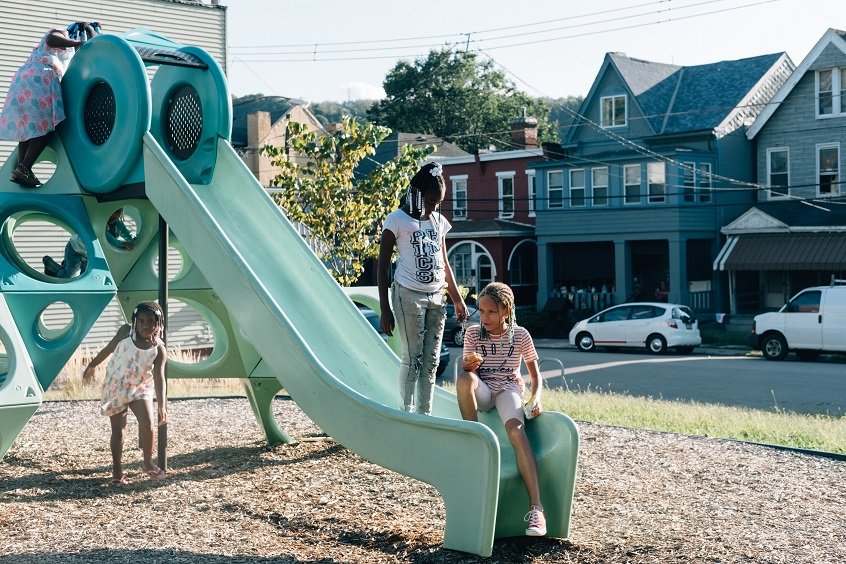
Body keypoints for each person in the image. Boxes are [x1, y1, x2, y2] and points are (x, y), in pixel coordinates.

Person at [456, 282, 546, 537]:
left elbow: (535, 376)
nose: (484, 317)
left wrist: (536, 398)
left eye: (491, 312)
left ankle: (537, 509)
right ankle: (474, 437)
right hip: (483, 389)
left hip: (509, 389)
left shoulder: (520, 335)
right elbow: (468, 372)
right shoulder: (474, 334)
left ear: (506, 310)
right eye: (481, 311)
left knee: (516, 431)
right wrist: (469, 365)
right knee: (464, 379)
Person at [378, 161, 468, 415]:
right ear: (416, 193)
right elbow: (382, 267)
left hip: (437, 297)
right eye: (430, 201)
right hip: (408, 295)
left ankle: (424, 414)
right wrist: (385, 308)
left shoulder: (438, 221)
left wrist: (457, 299)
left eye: (438, 203)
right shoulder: (396, 220)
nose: (433, 207)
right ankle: (406, 413)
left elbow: (444, 262)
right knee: (413, 358)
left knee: (431, 361)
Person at [0, 22, 100, 188]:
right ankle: (25, 167)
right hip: (39, 80)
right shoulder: (60, 33)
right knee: (47, 127)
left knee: (28, 129)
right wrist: (77, 42)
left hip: (22, 82)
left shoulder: (45, 52)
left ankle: (22, 168)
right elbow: (51, 39)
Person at [83, 301, 167, 484]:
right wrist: (92, 365)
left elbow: (160, 378)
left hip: (140, 389)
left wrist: (162, 405)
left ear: (158, 323)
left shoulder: (158, 349)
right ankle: (117, 469)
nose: (145, 325)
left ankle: (147, 462)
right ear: (135, 320)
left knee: (148, 424)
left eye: (151, 322)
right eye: (141, 321)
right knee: (119, 431)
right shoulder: (125, 332)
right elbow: (108, 349)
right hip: (116, 386)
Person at [43, 208, 135, 277]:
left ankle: (66, 266)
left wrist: (133, 240)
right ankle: (50, 264)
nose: (113, 214)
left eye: (117, 211)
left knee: (85, 277)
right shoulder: (99, 223)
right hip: (76, 249)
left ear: (122, 213)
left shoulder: (118, 225)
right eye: (111, 211)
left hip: (89, 254)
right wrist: (121, 244)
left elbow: (128, 235)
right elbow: (105, 238)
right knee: (69, 276)